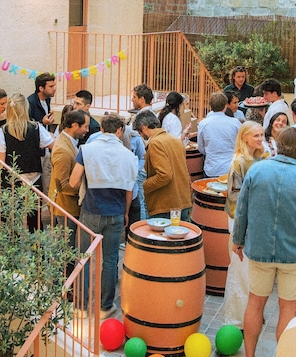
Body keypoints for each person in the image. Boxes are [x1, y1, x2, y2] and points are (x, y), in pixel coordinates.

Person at [232, 127, 296, 357]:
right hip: (295, 254)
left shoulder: (257, 171)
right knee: (288, 309)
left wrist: (238, 240)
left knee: (255, 302)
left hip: (259, 249)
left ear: (277, 145)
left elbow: (242, 210)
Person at [70, 115, 138, 319]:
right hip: (115, 212)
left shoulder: (87, 150)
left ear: (101, 129)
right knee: (109, 260)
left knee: (83, 258)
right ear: (120, 130)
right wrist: (125, 213)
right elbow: (129, 190)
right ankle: (105, 306)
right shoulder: (128, 155)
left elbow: (73, 181)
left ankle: (80, 307)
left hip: (91, 210)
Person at [222, 121, 266, 328]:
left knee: (250, 270)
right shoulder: (238, 162)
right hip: (240, 220)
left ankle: (250, 313)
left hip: (254, 219)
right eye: (256, 135)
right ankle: (238, 318)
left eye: (261, 135)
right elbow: (234, 195)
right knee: (240, 269)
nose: (260, 139)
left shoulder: (261, 159)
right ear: (244, 137)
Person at [0, 93, 55, 230]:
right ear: (26, 109)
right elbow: (53, 146)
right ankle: (36, 242)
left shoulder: (3, 131)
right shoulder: (37, 128)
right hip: (34, 179)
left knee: (12, 220)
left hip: (12, 180)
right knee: (35, 221)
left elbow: (0, 163)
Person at [134, 110, 192, 221]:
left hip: (164, 205)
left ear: (144, 128)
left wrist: (145, 185)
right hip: (182, 200)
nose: (140, 135)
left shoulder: (155, 143)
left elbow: (164, 175)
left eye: (139, 131)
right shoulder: (175, 140)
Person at [49, 108, 88, 215]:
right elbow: (62, 185)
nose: (87, 130)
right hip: (65, 209)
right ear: (75, 125)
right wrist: (85, 190)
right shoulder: (62, 150)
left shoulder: (70, 142)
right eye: (85, 127)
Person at [197, 92, 241, 178]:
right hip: (231, 167)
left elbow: (201, 148)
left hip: (211, 168)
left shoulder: (203, 124)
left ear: (210, 106)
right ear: (225, 105)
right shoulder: (235, 123)